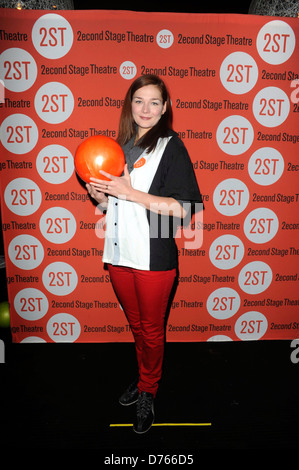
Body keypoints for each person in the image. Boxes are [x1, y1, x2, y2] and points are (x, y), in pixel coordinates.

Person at [86, 74, 203, 434]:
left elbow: (184, 209)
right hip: (120, 255)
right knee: (136, 326)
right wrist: (103, 199)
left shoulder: (171, 146)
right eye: (139, 100)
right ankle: (142, 380)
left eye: (155, 102)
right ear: (129, 105)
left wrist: (130, 191)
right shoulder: (119, 145)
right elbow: (116, 207)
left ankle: (148, 390)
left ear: (165, 108)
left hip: (154, 258)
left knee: (151, 332)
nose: (146, 108)